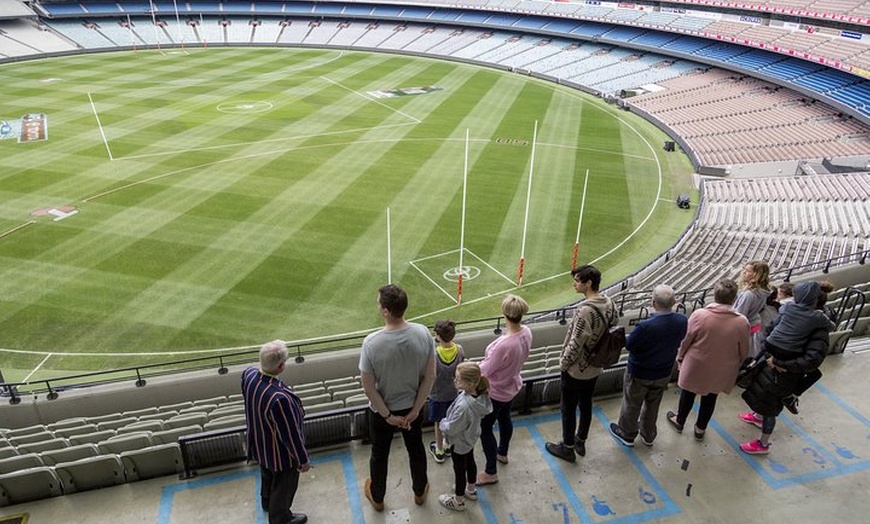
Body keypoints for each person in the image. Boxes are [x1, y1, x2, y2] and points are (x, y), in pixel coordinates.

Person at [359, 284, 436, 511]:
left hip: (383, 413)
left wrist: (388, 416)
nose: (377, 305)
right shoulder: (423, 333)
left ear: (386, 311)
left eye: (379, 303)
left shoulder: (371, 343)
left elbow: (368, 388)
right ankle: (420, 491)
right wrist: (414, 411)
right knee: (416, 449)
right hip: (413, 408)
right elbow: (430, 377)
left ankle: (378, 497)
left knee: (379, 454)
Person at [738, 281, 835, 454]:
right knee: (762, 394)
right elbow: (771, 329)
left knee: (771, 407)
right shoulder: (797, 314)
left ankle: (763, 444)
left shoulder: (818, 327)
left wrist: (780, 363)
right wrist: (769, 352)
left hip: (785, 372)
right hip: (771, 362)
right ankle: (758, 416)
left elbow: (812, 360)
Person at [546, 265, 617, 462]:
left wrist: (563, 364)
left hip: (577, 370)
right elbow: (615, 323)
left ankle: (568, 447)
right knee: (586, 403)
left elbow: (575, 343)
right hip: (596, 366)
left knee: (568, 408)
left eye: (577, 281)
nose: (574, 284)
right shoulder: (610, 303)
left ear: (588, 283)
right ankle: (580, 440)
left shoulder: (584, 311)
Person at [666, 278, 750, 441]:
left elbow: (686, 340)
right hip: (723, 367)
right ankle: (700, 429)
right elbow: (744, 350)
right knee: (711, 397)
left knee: (688, 393)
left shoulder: (700, 315)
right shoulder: (742, 321)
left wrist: (680, 356)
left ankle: (680, 421)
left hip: (697, 363)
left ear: (714, 295)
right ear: (734, 298)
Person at [609, 284, 687, 447]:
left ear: (653, 303)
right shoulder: (681, 320)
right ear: (674, 302)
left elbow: (630, 345)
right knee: (653, 404)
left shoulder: (646, 326)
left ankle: (627, 433)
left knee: (632, 403)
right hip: (663, 372)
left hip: (640, 373)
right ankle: (648, 434)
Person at [242, 340, 310, 524]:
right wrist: (303, 460)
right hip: (280, 456)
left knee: (267, 474)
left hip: (258, 444)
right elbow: (291, 435)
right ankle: (280, 518)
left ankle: (266, 501)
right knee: (284, 486)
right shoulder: (279, 399)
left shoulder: (248, 376)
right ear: (281, 366)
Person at [476, 294, 532, 485]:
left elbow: (485, 369)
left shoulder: (505, 344)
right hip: (511, 387)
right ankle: (502, 453)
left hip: (497, 392)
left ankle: (491, 471)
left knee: (485, 428)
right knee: (505, 418)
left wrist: (469, 368)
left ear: (505, 314)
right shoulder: (526, 332)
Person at [437, 362, 493, 512]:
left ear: (469, 383)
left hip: (460, 441)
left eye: (458, 379)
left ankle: (458, 500)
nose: (454, 381)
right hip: (470, 438)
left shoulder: (464, 407)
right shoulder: (478, 395)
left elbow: (452, 428)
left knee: (459, 470)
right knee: (470, 462)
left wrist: (443, 424)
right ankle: (471, 489)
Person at [428, 319, 464, 464]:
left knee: (438, 423)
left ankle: (439, 450)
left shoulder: (434, 355)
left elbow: (431, 376)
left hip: (437, 396)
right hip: (453, 394)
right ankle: (448, 445)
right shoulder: (459, 349)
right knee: (450, 421)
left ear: (437, 335)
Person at [733, 260, 771, 357]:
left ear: (756, 275)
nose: (744, 272)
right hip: (754, 327)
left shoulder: (748, 295)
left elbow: (739, 315)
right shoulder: (762, 291)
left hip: (745, 330)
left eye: (748, 271)